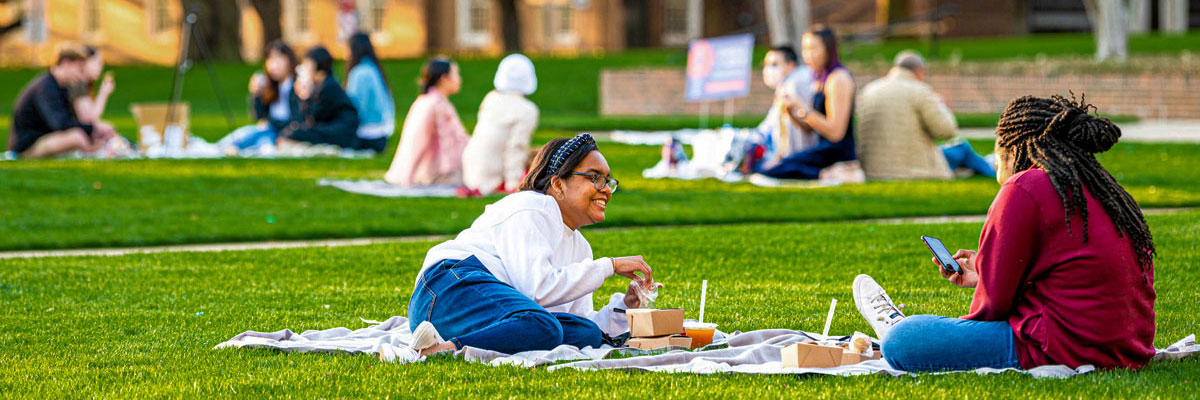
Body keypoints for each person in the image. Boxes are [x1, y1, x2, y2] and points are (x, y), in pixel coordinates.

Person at [852, 95, 1156, 372]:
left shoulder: (1023, 187)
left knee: (905, 340)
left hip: (1063, 348)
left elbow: (991, 310)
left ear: (1010, 148)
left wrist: (986, 288)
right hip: (1126, 348)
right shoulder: (1105, 190)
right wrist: (986, 271)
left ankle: (892, 323)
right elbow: (1068, 273)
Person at [406, 133, 655, 356]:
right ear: (558, 184)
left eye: (608, 181)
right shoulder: (530, 207)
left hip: (490, 313)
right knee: (543, 326)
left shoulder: (581, 247)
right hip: (447, 287)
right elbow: (538, 289)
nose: (607, 190)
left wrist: (625, 305)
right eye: (595, 178)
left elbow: (575, 319)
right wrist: (609, 266)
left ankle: (442, 345)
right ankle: (438, 352)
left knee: (585, 332)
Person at [856, 50, 994, 180]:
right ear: (919, 72)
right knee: (962, 149)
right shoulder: (919, 90)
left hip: (873, 169)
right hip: (913, 168)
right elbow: (947, 131)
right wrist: (941, 106)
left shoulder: (869, 90)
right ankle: (993, 170)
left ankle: (987, 164)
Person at [759, 25, 857, 180]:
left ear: (828, 49)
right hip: (822, 148)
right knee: (771, 166)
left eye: (813, 49)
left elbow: (835, 133)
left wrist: (802, 106)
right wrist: (790, 110)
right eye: (805, 49)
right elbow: (810, 129)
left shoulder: (838, 79)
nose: (808, 55)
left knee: (777, 169)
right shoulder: (819, 79)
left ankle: (830, 175)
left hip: (837, 152)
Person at [8, 42, 117, 159]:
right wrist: (93, 129)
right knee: (77, 137)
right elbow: (60, 124)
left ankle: (100, 150)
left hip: (47, 137)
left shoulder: (62, 86)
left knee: (84, 134)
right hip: (28, 146)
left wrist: (94, 130)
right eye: (79, 69)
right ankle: (94, 153)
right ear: (66, 64)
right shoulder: (46, 88)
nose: (81, 76)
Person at [461, 54, 540, 196]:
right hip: (493, 179)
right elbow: (516, 148)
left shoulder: (490, 99)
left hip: (471, 172)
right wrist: (514, 184)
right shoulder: (527, 110)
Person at [384, 57, 469, 187]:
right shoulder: (434, 104)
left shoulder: (431, 101)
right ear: (444, 79)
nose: (459, 80)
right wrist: (408, 177)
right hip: (435, 174)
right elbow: (419, 140)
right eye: (456, 75)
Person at [217, 41, 299, 153]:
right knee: (248, 133)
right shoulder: (271, 86)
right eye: (270, 60)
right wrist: (256, 94)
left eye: (278, 59)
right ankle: (226, 147)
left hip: (286, 131)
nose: (273, 65)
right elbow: (258, 116)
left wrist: (270, 123)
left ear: (289, 61)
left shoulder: (297, 85)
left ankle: (229, 148)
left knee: (262, 139)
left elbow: (298, 119)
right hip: (269, 130)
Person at [278, 46, 359, 149]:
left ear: (317, 64)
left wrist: (305, 97)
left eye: (306, 64)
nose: (303, 68)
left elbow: (313, 118)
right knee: (291, 131)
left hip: (341, 132)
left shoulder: (328, 86)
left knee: (295, 133)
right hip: (330, 128)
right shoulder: (320, 85)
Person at [754, 45, 816, 168]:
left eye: (774, 64)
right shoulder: (784, 87)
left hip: (801, 157)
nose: (768, 69)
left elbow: (806, 126)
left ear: (791, 65)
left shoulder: (795, 83)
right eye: (766, 64)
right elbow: (768, 126)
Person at [344, 32, 395, 153]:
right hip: (382, 134)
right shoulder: (374, 69)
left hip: (368, 134)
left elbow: (355, 107)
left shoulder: (360, 73)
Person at [72, 46, 115, 126]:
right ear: (84, 62)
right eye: (97, 62)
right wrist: (103, 93)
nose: (101, 66)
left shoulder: (82, 84)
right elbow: (89, 119)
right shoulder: (76, 83)